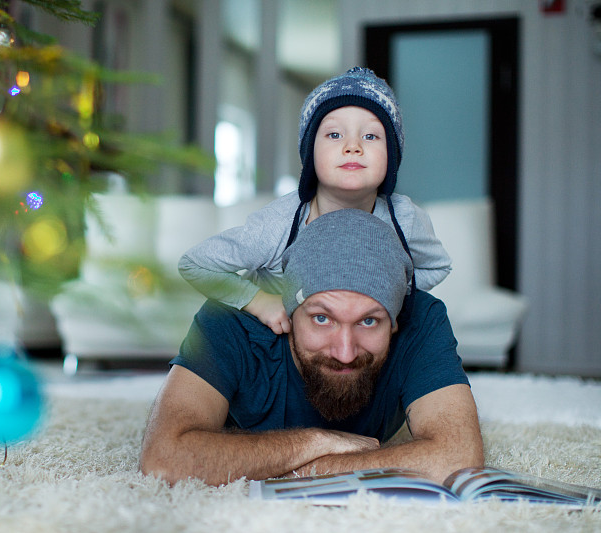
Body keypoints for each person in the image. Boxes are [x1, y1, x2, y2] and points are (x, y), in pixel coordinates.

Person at [140, 209, 484, 487]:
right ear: (288, 311)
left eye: (369, 321)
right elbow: (163, 459)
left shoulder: (421, 320)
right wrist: (314, 442)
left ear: (395, 321)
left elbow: (458, 457)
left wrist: (305, 471)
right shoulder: (228, 322)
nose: (345, 352)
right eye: (322, 318)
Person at [179, 67, 451, 335]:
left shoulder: (404, 219)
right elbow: (194, 264)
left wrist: (388, 296)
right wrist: (258, 301)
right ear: (310, 153)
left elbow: (437, 265)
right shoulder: (279, 224)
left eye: (370, 136)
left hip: (355, 343)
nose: (353, 146)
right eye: (334, 135)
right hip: (274, 338)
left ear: (391, 154)